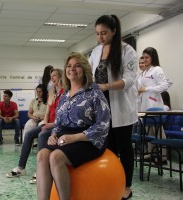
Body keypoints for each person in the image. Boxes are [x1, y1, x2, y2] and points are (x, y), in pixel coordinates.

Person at [36, 52, 111, 200]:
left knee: (56, 157)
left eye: (77, 66)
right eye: (69, 66)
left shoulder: (94, 91)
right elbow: (58, 122)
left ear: (84, 70)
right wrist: (53, 135)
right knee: (42, 155)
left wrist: (75, 137)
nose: (72, 69)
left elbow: (103, 125)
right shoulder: (64, 96)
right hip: (64, 137)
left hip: (87, 139)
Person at [88, 15, 138, 199]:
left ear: (114, 31)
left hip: (121, 106)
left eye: (104, 33)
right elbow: (90, 76)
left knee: (124, 148)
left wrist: (107, 86)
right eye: (97, 34)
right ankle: (111, 181)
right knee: (108, 148)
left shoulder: (127, 50)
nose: (100, 37)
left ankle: (126, 186)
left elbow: (131, 79)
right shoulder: (95, 52)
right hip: (102, 107)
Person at [6, 69, 64, 183]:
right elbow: (47, 112)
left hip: (58, 125)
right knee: (28, 134)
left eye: (55, 75)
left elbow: (62, 115)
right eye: (51, 76)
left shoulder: (65, 93)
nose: (52, 78)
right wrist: (46, 123)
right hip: (49, 123)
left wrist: (51, 124)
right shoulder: (52, 93)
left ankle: (41, 171)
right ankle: (21, 168)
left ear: (61, 77)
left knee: (42, 135)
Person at [138, 47, 172, 164]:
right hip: (145, 105)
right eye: (143, 57)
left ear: (153, 57)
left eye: (147, 57)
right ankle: (150, 154)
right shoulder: (145, 72)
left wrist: (147, 89)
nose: (145, 60)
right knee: (149, 131)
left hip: (155, 104)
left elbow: (164, 85)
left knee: (158, 131)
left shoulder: (157, 69)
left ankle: (163, 157)